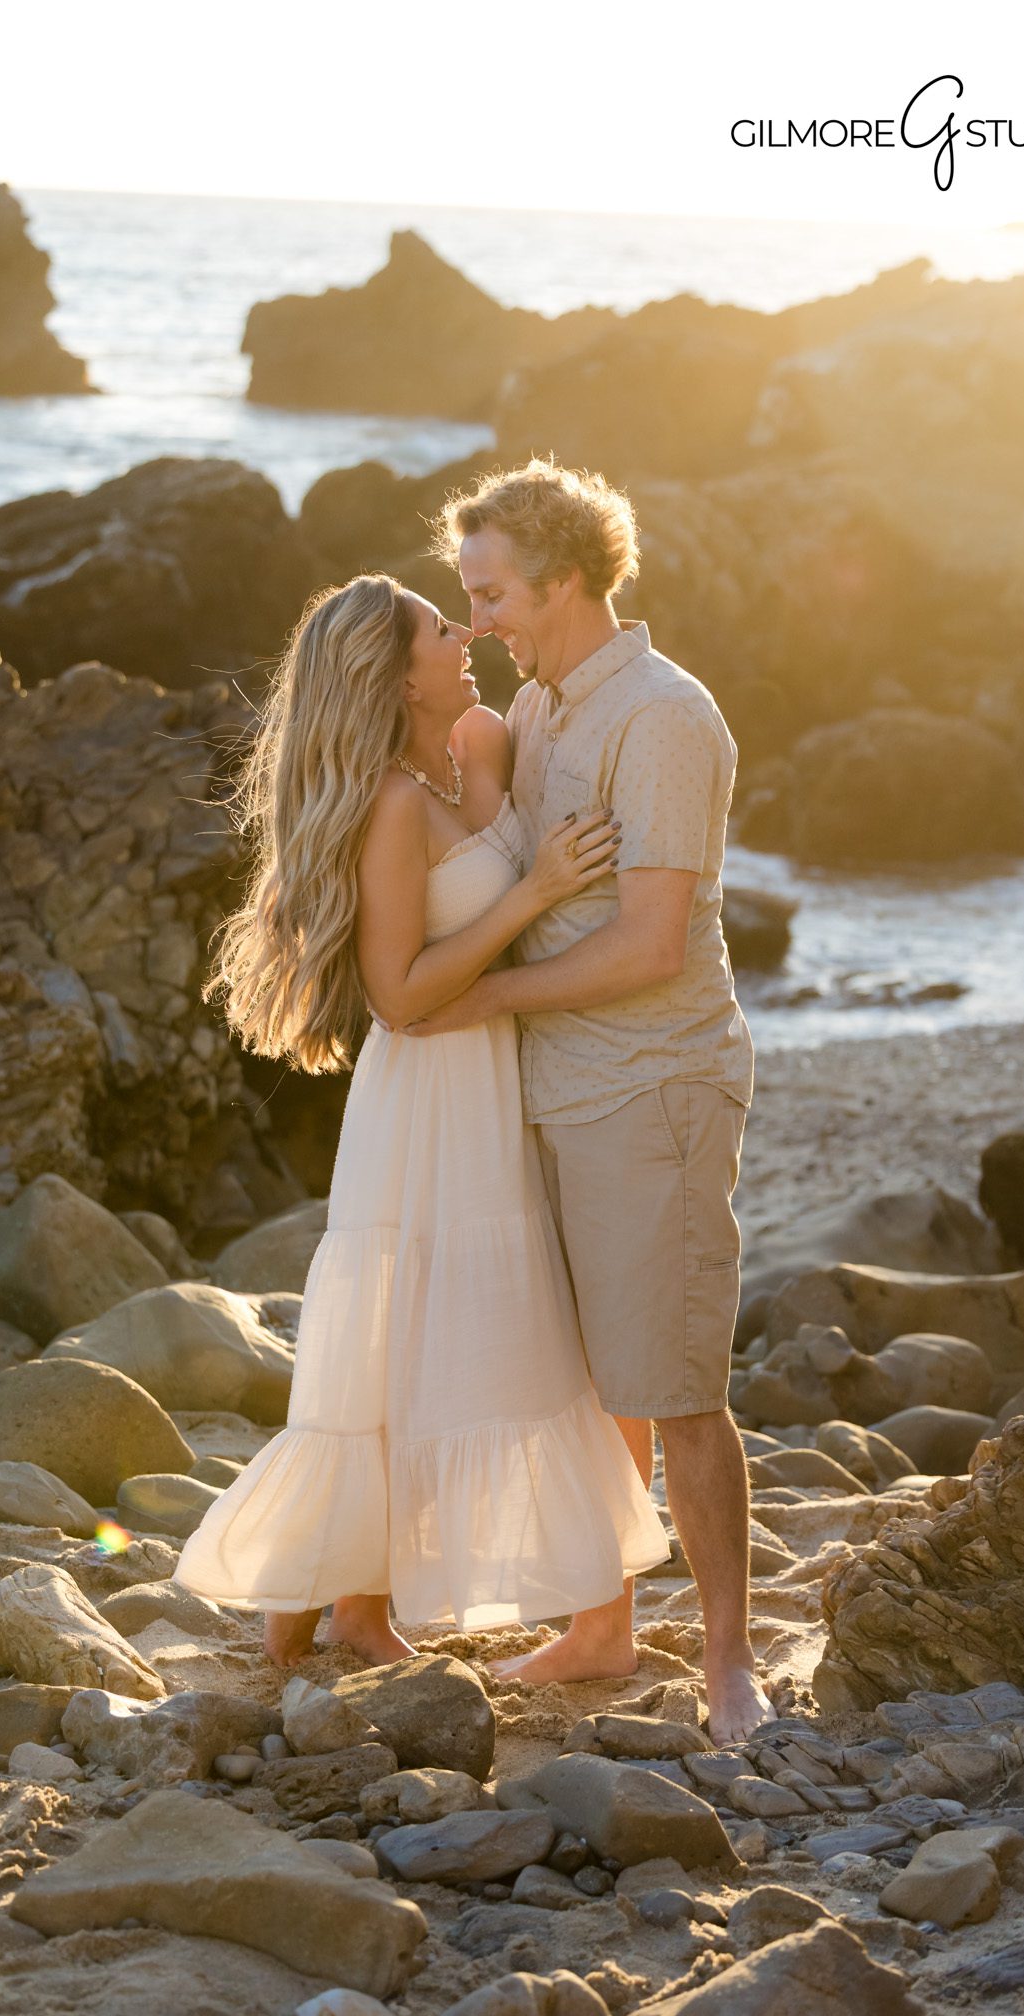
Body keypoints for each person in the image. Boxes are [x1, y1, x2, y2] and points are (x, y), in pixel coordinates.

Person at [172, 572, 668, 1665]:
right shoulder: (392, 805)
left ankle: (316, 1605)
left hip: (501, 1071)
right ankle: (351, 1605)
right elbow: (397, 993)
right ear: (398, 672)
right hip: (430, 1084)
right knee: (402, 1344)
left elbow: (561, 740)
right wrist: (533, 893)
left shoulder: (481, 743)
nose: (468, 635)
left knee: (465, 1337)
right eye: (446, 629)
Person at [411, 459, 772, 1744]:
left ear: (565, 577)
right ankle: (604, 1620)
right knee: (592, 1380)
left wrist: (491, 998)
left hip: (653, 1083)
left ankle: (731, 1656)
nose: (481, 616)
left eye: (492, 590)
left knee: (674, 1375)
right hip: (559, 1087)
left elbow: (650, 945)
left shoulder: (663, 718)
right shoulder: (545, 707)